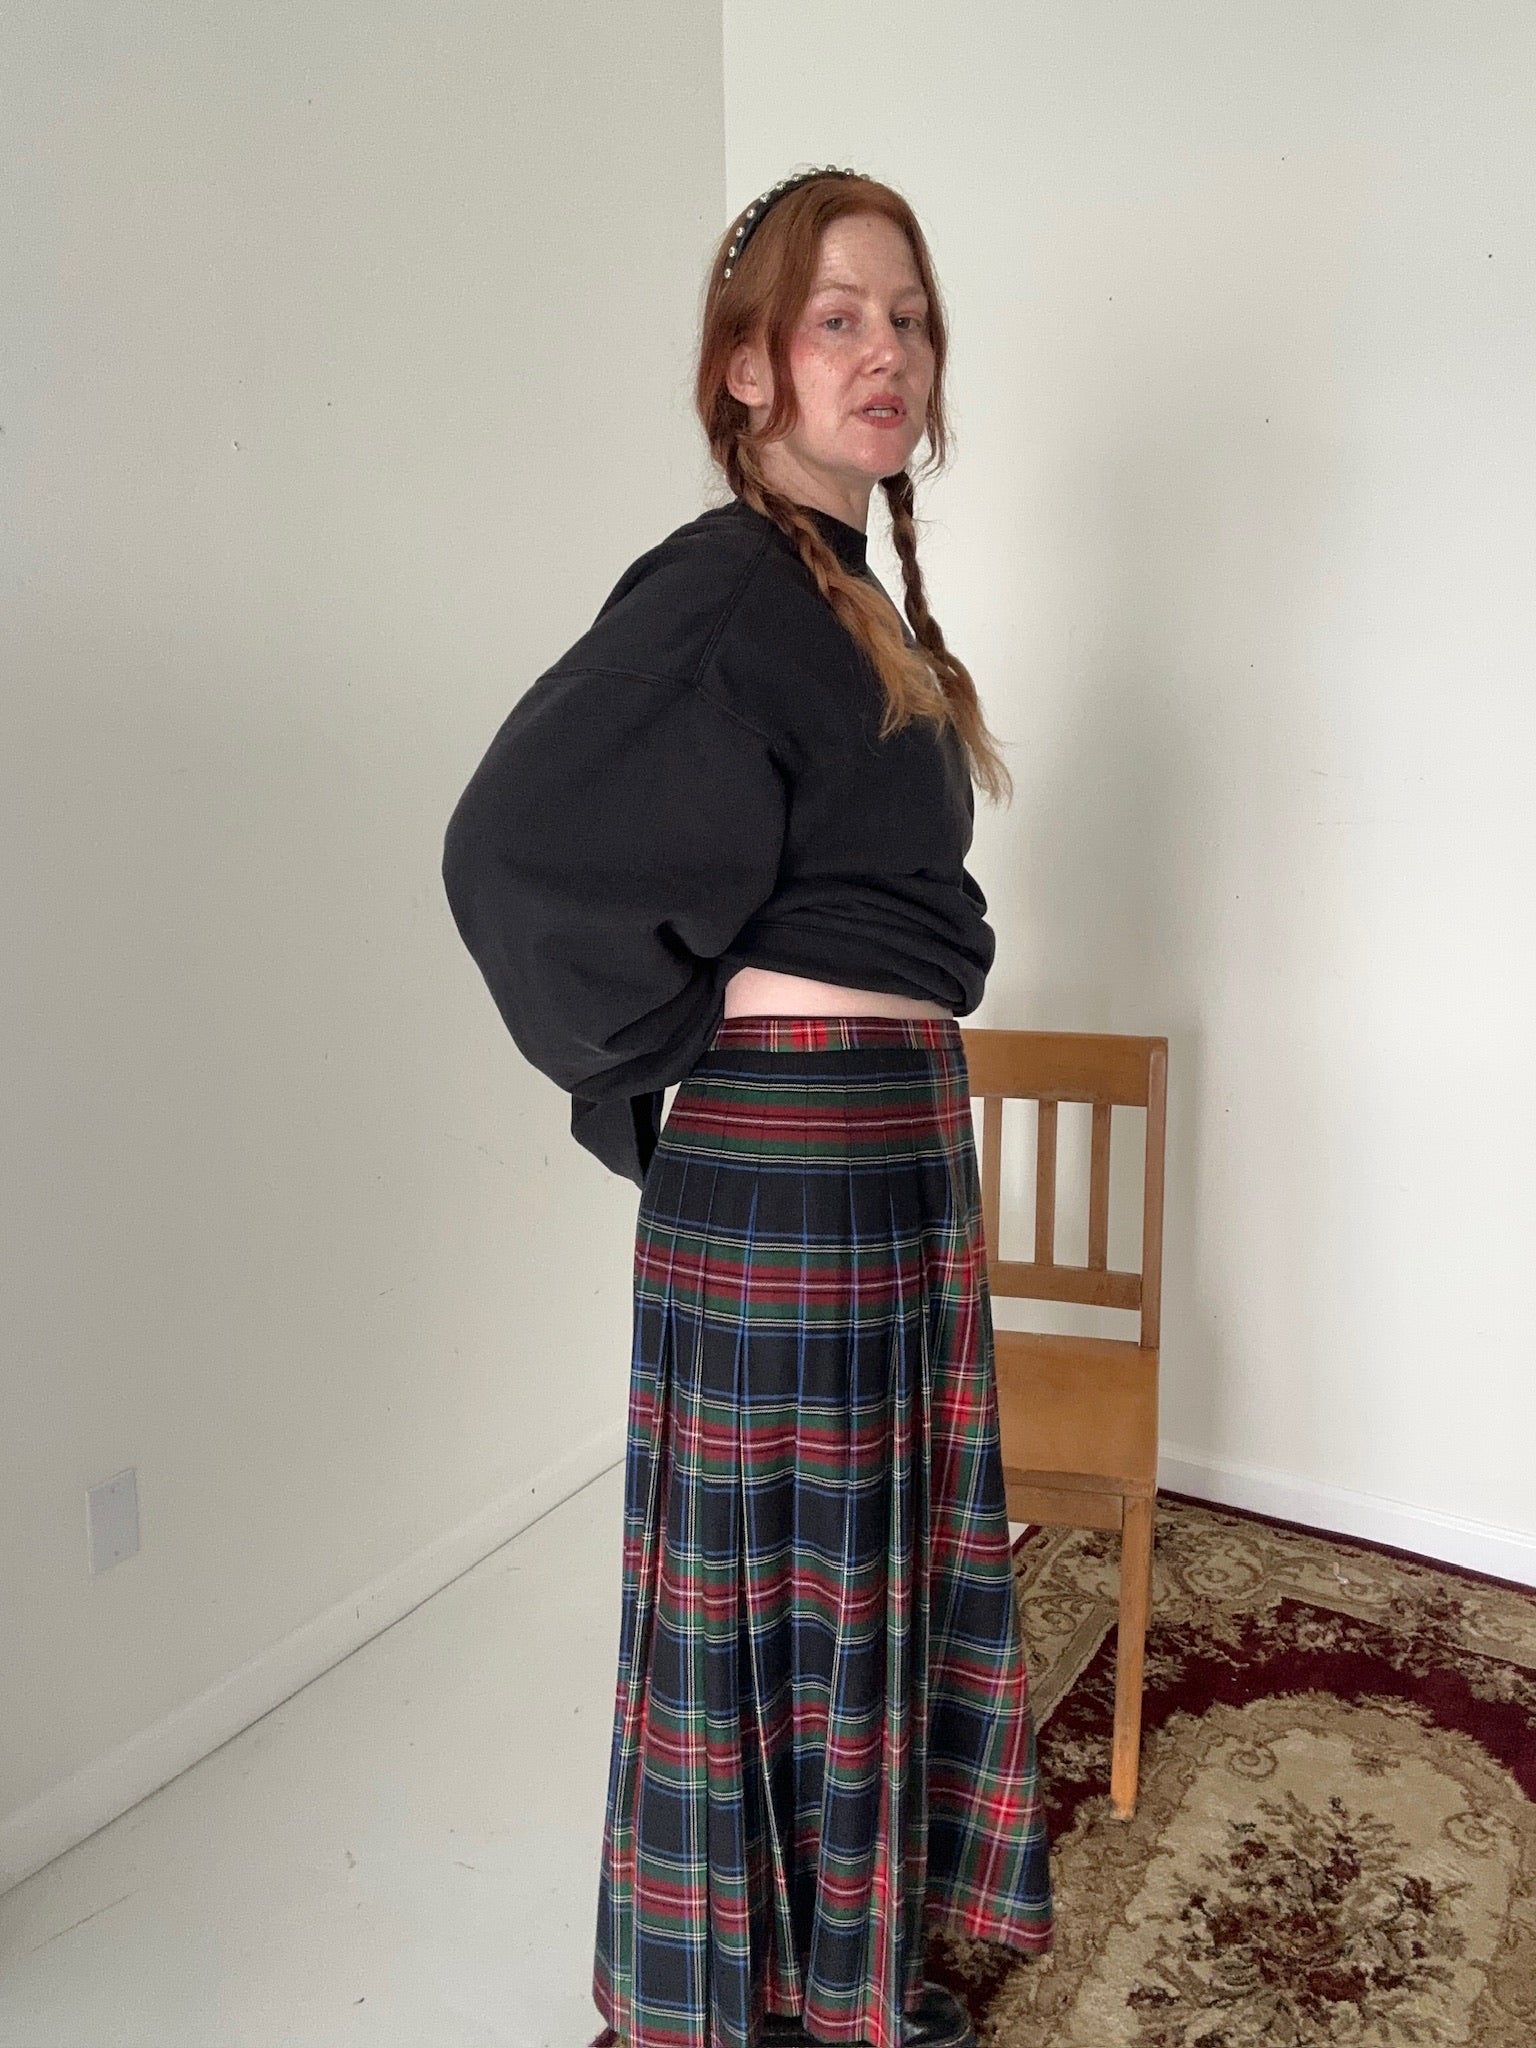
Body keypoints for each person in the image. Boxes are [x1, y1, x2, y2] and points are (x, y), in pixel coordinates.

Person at [441, 165, 1053, 2048]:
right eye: (838, 316)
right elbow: (510, 847)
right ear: (746, 373)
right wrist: (692, 1041)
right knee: (773, 1605)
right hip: (791, 1168)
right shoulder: (723, 585)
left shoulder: (840, 595)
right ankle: (734, 2007)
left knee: (845, 1586)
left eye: (910, 316)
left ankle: (832, 1980)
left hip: (878, 1158)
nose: (886, 351)